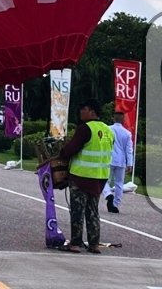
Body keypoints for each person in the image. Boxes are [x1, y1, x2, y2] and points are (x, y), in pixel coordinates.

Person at [55, 98, 114, 253]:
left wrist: (62, 153)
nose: (81, 112)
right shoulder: (108, 130)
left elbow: (70, 150)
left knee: (77, 211)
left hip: (81, 177)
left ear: (93, 112)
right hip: (100, 178)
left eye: (84, 109)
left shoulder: (85, 129)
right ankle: (94, 244)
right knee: (93, 211)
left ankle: (75, 243)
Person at [107, 115, 134, 214]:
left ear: (113, 119)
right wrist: (130, 163)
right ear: (123, 120)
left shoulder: (108, 129)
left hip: (108, 158)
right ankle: (116, 204)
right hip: (121, 160)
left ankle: (108, 194)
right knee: (119, 183)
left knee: (106, 180)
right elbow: (129, 150)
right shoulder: (127, 133)